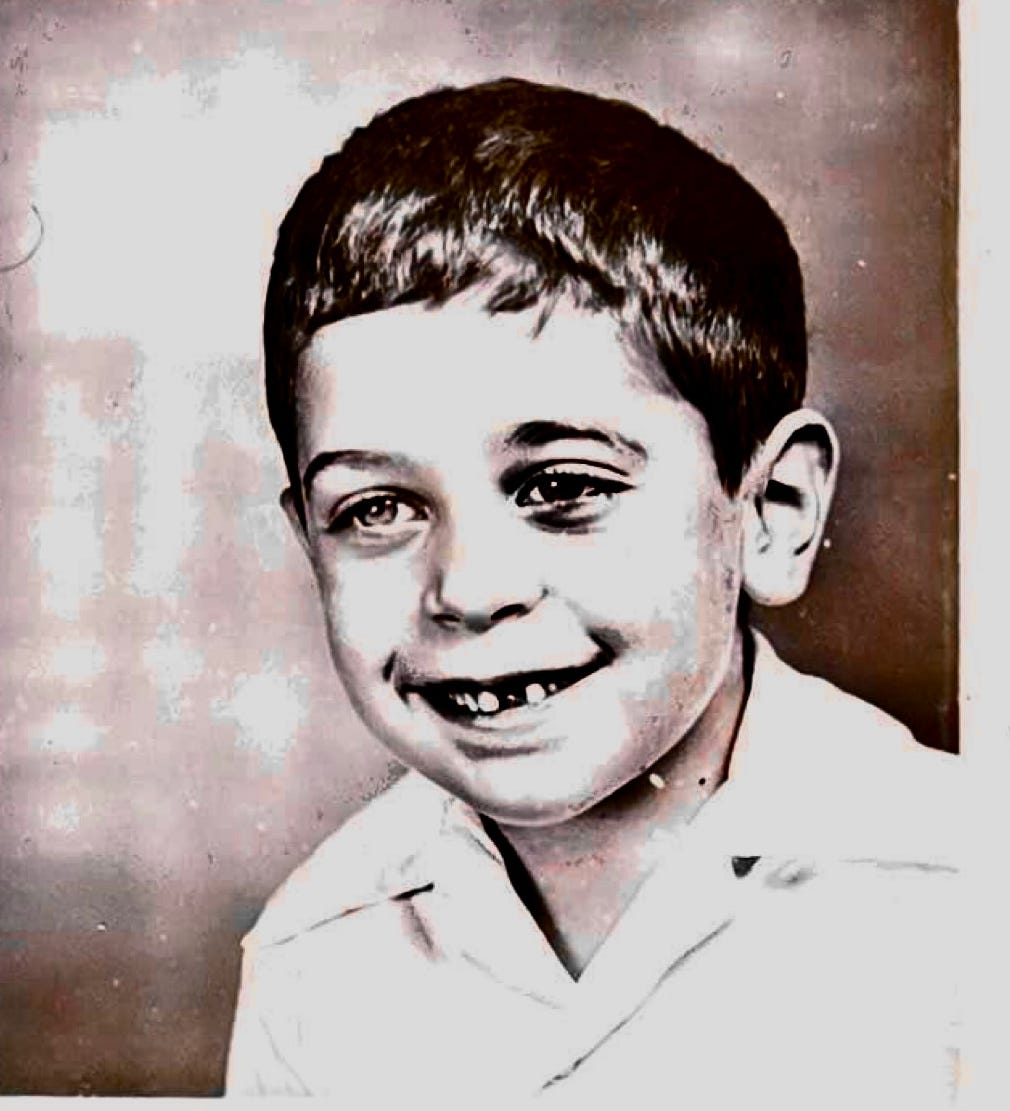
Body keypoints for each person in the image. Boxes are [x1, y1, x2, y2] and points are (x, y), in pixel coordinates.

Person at [225, 78, 960, 1106]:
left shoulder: (962, 899)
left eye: (561, 487)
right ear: (309, 542)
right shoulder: (315, 959)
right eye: (377, 508)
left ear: (771, 510)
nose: (468, 590)